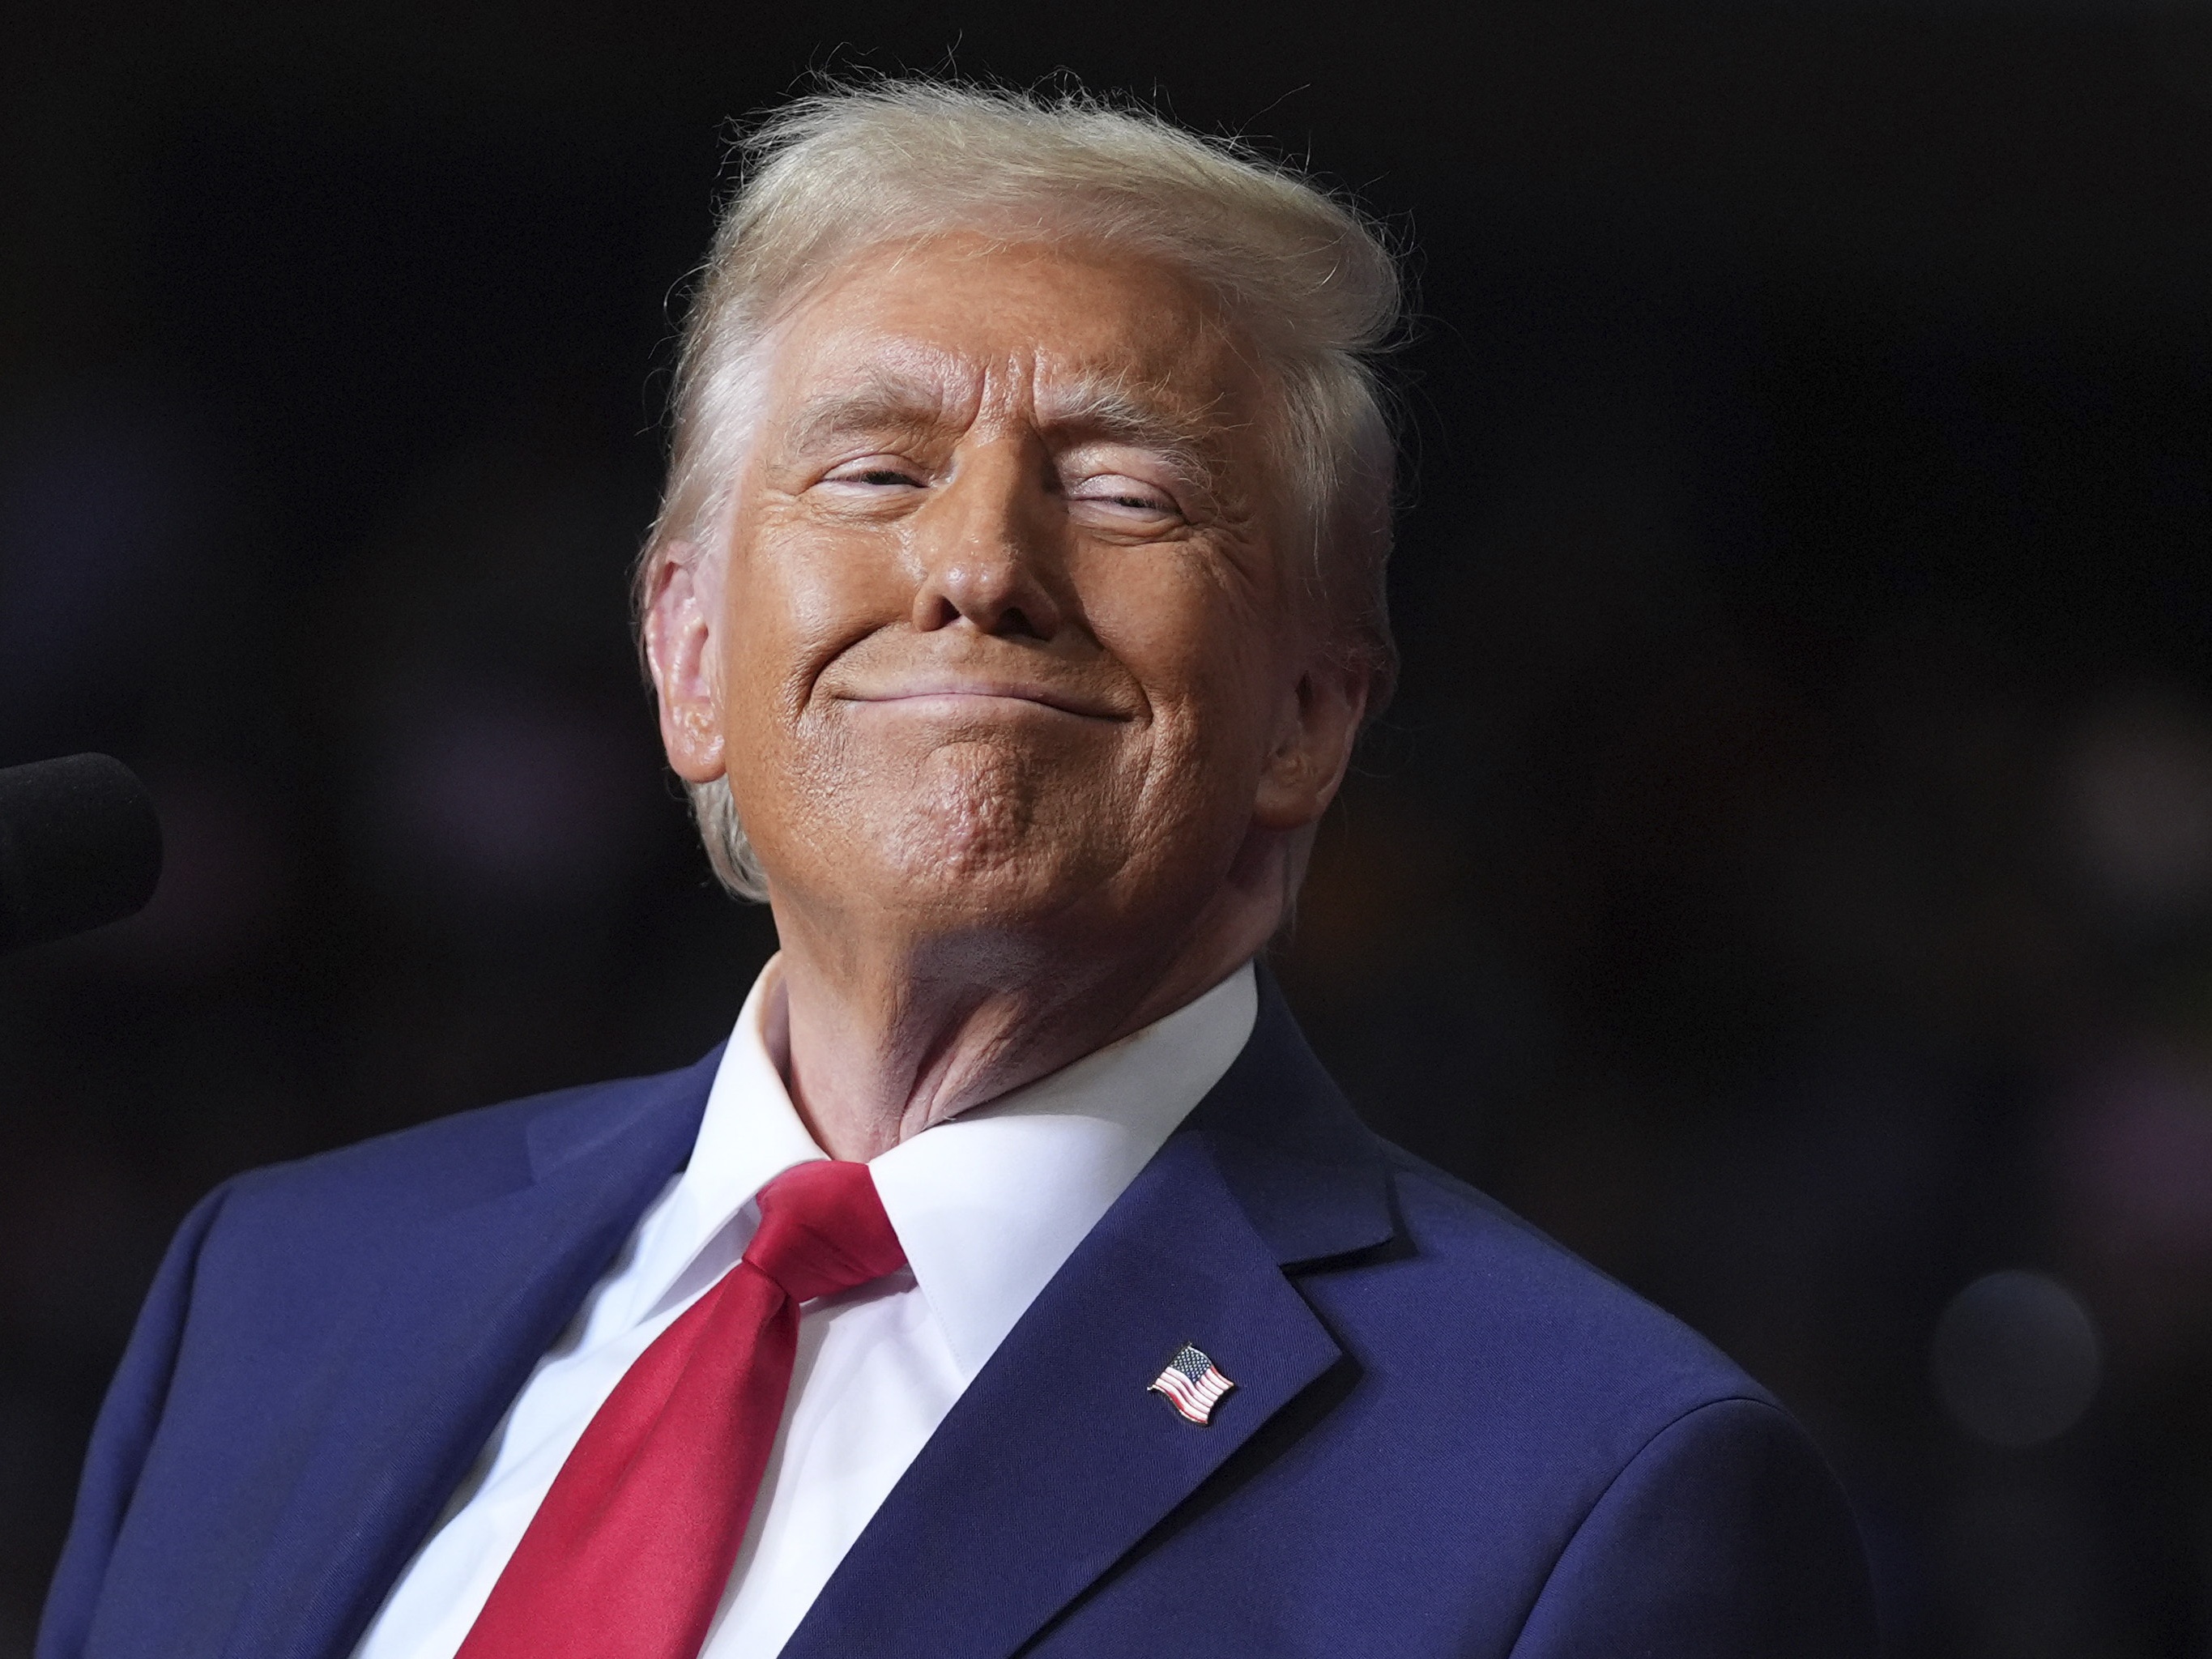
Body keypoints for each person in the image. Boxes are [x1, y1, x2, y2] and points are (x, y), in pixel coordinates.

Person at [39, 80, 1877, 1659]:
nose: (977, 561)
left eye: (1125, 489)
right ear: (687, 657)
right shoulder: (276, 1285)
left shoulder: (1591, 1493)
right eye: (869, 472)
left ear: (1309, 718)